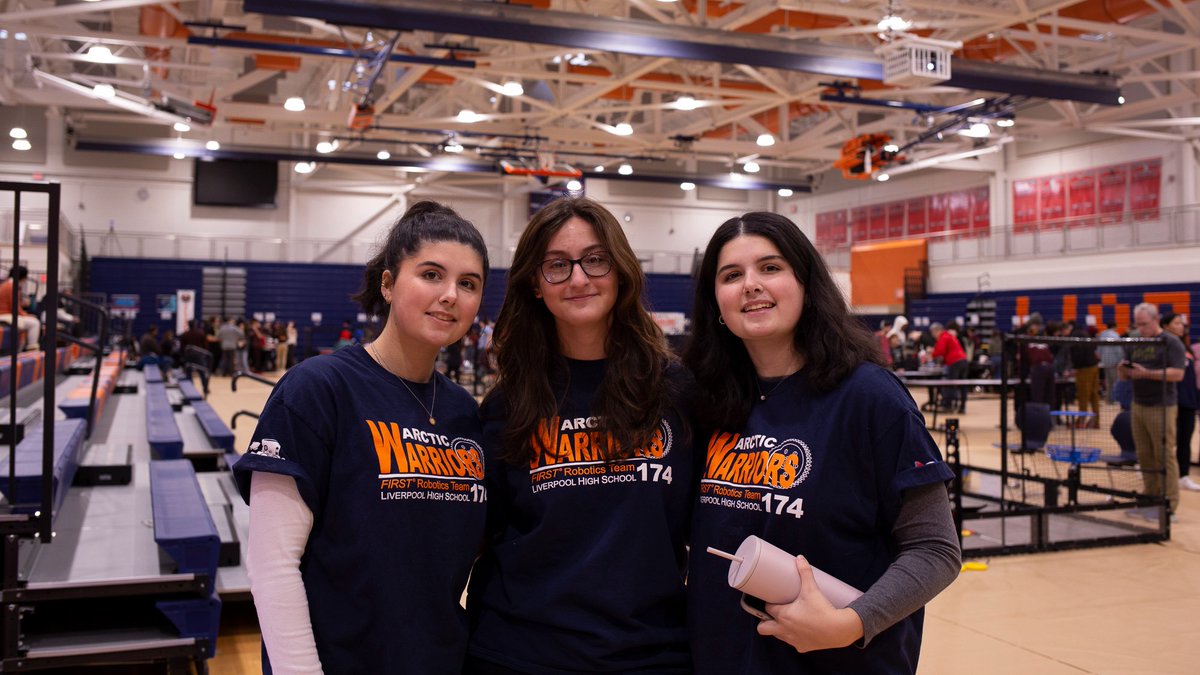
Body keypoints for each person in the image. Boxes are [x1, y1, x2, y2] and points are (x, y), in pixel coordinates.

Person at [683, 211, 960, 674]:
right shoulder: (703, 400)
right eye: (731, 275)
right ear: (715, 303)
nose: (750, 284)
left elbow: (935, 548)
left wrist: (851, 623)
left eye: (770, 267)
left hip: (842, 662)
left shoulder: (870, 397)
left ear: (807, 285)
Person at [233, 201, 490, 672]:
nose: (450, 295)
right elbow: (272, 566)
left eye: (468, 283)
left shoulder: (464, 413)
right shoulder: (317, 389)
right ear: (388, 284)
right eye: (431, 275)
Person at [465, 197, 693, 674]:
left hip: (650, 655)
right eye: (557, 265)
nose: (579, 278)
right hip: (520, 653)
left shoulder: (676, 391)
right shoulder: (508, 404)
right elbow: (475, 534)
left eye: (595, 259)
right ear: (535, 283)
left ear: (621, 270)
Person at [1120, 303, 1186, 521]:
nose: (1141, 329)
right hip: (1138, 404)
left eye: (1145, 324)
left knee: (1164, 455)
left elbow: (1178, 374)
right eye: (1138, 325)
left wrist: (1147, 373)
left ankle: (1169, 505)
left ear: (1156, 320)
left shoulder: (1170, 342)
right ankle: (1150, 498)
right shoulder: (1134, 340)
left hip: (1162, 405)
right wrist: (1123, 370)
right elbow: (1125, 376)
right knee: (1144, 455)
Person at [1160, 312, 1200, 492]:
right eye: (1176, 323)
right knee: (1168, 441)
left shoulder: (1187, 348)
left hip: (1189, 401)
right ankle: (1160, 475)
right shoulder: (1163, 346)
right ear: (1165, 326)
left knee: (1185, 440)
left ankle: (1183, 476)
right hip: (1171, 401)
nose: (1181, 326)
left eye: (1181, 323)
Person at [930, 321, 968, 412]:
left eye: (932, 333)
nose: (932, 336)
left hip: (955, 362)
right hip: (964, 361)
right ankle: (962, 407)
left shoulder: (944, 337)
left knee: (950, 384)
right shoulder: (949, 336)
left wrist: (932, 353)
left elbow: (939, 352)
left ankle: (948, 406)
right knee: (962, 385)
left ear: (936, 331)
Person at [0, 266, 40, 351]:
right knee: (35, 323)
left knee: (29, 321)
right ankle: (32, 348)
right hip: (5, 315)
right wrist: (26, 315)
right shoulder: (12, 286)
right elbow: (14, 307)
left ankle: (22, 349)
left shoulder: (7, 284)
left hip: (5, 314)